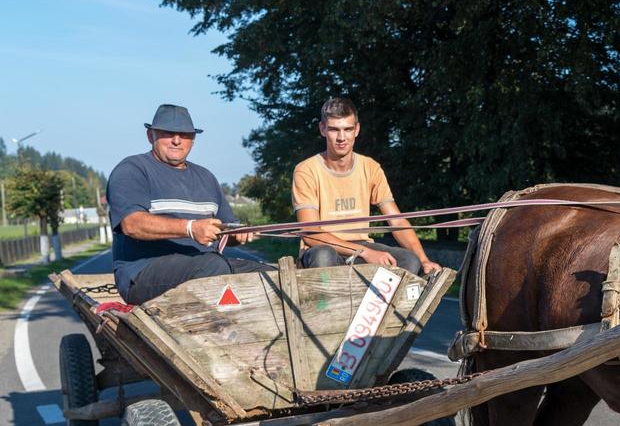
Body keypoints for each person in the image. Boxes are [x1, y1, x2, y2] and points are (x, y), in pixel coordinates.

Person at [108, 105, 270, 305]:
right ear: (151, 135)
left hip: (206, 264)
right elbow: (132, 224)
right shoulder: (132, 170)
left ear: (192, 139)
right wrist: (190, 228)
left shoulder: (206, 177)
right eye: (168, 133)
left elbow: (226, 231)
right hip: (143, 274)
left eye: (184, 135)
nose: (177, 140)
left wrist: (238, 234)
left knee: (270, 276)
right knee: (213, 266)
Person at [291, 98, 441, 276]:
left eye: (347, 129)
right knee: (324, 255)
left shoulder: (370, 168)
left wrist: (423, 259)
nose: (341, 137)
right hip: (322, 248)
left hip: (361, 245)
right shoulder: (306, 170)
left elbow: (397, 221)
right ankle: (324, 304)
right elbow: (311, 234)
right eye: (334, 129)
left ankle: (377, 304)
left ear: (357, 130)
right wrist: (365, 253)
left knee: (409, 260)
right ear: (322, 129)